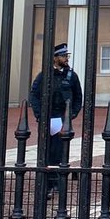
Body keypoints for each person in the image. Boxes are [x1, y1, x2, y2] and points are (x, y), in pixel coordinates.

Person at [29, 42, 83, 195]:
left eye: (67, 56)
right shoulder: (44, 75)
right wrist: (40, 114)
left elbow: (78, 96)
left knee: (60, 151)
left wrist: (72, 113)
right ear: (55, 58)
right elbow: (34, 95)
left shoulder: (71, 76)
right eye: (63, 56)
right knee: (46, 151)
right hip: (47, 117)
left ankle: (58, 182)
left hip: (62, 118)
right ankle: (48, 183)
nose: (66, 58)